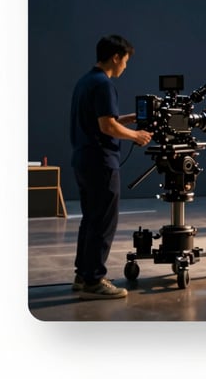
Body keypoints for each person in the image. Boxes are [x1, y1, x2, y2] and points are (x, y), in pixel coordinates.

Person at [69, 35, 152, 300]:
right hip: (101, 162)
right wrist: (136, 135)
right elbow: (107, 127)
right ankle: (95, 280)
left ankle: (83, 275)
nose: (126, 66)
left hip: (83, 159)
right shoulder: (104, 84)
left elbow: (102, 120)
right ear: (116, 57)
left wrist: (125, 119)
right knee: (104, 222)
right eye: (125, 61)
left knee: (91, 219)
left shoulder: (85, 82)